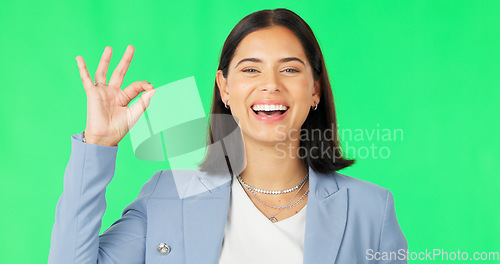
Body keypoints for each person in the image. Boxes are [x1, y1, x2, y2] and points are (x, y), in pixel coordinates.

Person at [49, 8, 408, 264]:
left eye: (289, 69)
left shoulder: (370, 210)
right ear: (225, 88)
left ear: (314, 90)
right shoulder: (168, 195)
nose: (270, 84)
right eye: (250, 69)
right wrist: (97, 143)